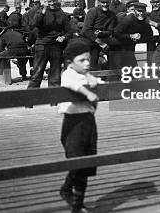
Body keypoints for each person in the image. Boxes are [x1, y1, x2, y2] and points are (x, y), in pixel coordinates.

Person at [58, 40, 103, 213]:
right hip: (72, 124)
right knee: (77, 161)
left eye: (88, 60)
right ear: (70, 62)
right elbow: (72, 84)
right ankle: (74, 201)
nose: (87, 63)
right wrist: (88, 93)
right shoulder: (68, 74)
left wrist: (93, 79)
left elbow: (99, 83)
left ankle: (76, 199)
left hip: (88, 123)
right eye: (82, 60)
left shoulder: (86, 74)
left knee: (87, 162)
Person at [27, 0, 72, 89]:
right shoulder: (40, 11)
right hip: (42, 45)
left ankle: (54, 102)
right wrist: (43, 11)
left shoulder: (62, 14)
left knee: (55, 77)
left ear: (57, 1)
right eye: (50, 1)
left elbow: (69, 31)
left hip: (56, 47)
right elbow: (32, 25)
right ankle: (30, 101)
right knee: (37, 74)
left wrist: (64, 37)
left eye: (54, 1)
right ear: (46, 1)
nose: (52, 3)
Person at [111, 2, 152, 69]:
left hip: (129, 47)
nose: (141, 13)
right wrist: (131, 36)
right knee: (120, 69)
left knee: (133, 71)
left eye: (143, 11)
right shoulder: (128, 19)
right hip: (119, 46)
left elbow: (149, 35)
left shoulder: (145, 20)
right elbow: (115, 33)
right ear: (135, 11)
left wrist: (140, 36)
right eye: (139, 11)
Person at [81, 0, 116, 71]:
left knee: (113, 57)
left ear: (110, 2)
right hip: (91, 40)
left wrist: (101, 33)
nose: (105, 5)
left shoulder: (111, 14)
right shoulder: (92, 12)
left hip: (104, 39)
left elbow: (110, 31)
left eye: (107, 3)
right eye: (103, 3)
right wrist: (100, 43)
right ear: (99, 2)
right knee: (92, 62)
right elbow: (86, 30)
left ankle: (109, 77)